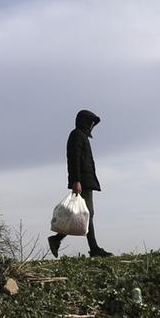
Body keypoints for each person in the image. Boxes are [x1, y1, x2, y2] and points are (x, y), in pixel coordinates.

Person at [48, 109, 113, 258]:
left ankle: (56, 239)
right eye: (91, 122)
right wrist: (76, 180)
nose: (92, 126)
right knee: (86, 214)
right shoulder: (77, 135)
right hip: (82, 181)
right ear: (85, 122)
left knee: (84, 214)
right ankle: (94, 249)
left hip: (85, 181)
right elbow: (74, 159)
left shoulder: (81, 136)